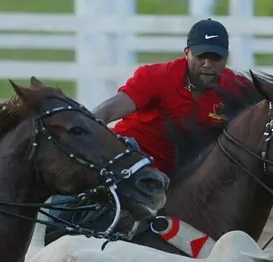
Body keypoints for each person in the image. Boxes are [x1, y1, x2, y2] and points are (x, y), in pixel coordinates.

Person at [45, 18, 252, 243]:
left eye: (216, 58)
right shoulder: (156, 77)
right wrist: (79, 139)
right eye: (201, 56)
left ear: (226, 58)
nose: (208, 65)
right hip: (130, 165)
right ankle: (50, 235)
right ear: (187, 53)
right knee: (76, 201)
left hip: (180, 177)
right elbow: (108, 111)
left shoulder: (237, 89)